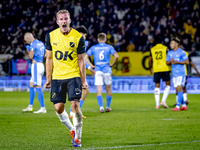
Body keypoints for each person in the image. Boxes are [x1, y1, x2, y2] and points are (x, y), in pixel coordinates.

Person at [43, 10, 87, 147]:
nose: (63, 21)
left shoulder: (78, 37)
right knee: (58, 108)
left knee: (74, 105)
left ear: (69, 20)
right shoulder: (51, 36)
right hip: (57, 77)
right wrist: (48, 78)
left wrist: (83, 80)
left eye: (65, 19)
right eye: (61, 19)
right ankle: (73, 130)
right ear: (57, 22)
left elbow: (81, 60)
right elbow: (49, 58)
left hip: (73, 75)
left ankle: (78, 138)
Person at [85, 33, 119, 113]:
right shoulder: (109, 47)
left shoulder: (94, 47)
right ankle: (108, 106)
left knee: (99, 90)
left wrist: (91, 65)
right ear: (105, 39)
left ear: (98, 40)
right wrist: (113, 64)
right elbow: (116, 56)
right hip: (107, 69)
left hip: (97, 70)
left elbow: (85, 57)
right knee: (108, 89)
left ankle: (101, 108)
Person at [69, 26, 95, 119]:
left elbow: (82, 57)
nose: (84, 38)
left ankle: (74, 111)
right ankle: (74, 112)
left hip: (74, 68)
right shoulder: (79, 42)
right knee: (84, 90)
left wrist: (89, 68)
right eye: (83, 35)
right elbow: (81, 58)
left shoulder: (73, 41)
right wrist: (89, 68)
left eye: (85, 36)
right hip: (76, 69)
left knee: (79, 91)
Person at [23, 32, 46, 113]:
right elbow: (45, 54)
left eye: (26, 40)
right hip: (41, 64)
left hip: (36, 66)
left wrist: (28, 49)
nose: (26, 42)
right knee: (31, 85)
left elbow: (31, 56)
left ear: (29, 38)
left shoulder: (32, 45)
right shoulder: (41, 43)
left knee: (37, 86)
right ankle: (30, 106)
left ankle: (43, 108)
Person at [166, 37, 189, 111]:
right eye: (170, 43)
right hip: (174, 74)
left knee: (179, 88)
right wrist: (170, 62)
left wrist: (177, 62)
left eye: (172, 43)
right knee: (177, 90)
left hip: (181, 74)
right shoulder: (169, 52)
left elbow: (187, 62)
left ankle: (177, 106)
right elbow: (167, 63)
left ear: (176, 44)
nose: (170, 44)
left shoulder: (182, 52)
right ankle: (184, 105)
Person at [149, 37, 171, 109]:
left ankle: (157, 105)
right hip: (165, 68)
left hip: (156, 69)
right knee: (168, 85)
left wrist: (150, 68)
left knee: (157, 85)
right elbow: (169, 57)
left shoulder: (152, 49)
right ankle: (163, 101)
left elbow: (149, 60)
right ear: (162, 42)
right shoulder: (165, 48)